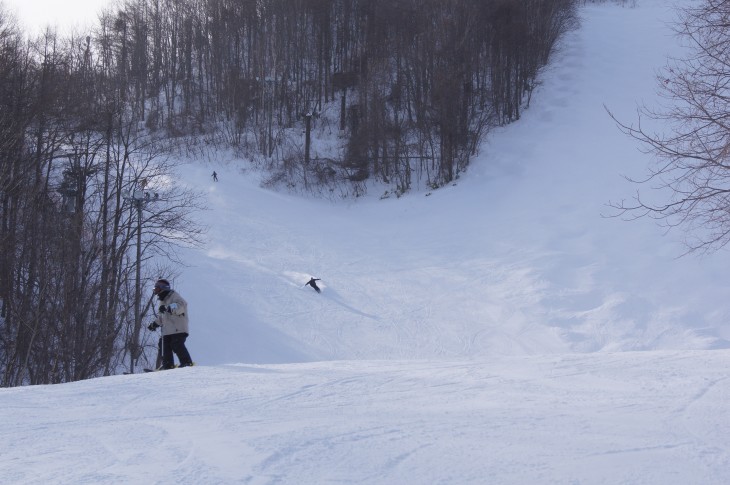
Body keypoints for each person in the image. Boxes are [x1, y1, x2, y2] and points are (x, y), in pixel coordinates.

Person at [147, 279, 194, 369]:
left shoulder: (174, 296)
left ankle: (186, 362)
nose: (155, 291)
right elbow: (162, 317)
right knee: (163, 345)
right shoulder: (162, 300)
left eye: (157, 289)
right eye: (154, 289)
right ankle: (168, 365)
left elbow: (181, 305)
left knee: (176, 344)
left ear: (163, 288)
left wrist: (169, 307)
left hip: (178, 328)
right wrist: (155, 324)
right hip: (167, 330)